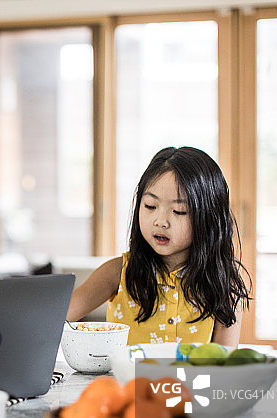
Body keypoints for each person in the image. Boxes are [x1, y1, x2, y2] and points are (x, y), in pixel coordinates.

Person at [66, 146, 251, 346]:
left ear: (209, 218)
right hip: (124, 379)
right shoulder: (117, 273)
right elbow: (55, 318)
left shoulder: (224, 284)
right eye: (150, 206)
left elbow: (223, 364)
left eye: (179, 211)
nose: (161, 221)